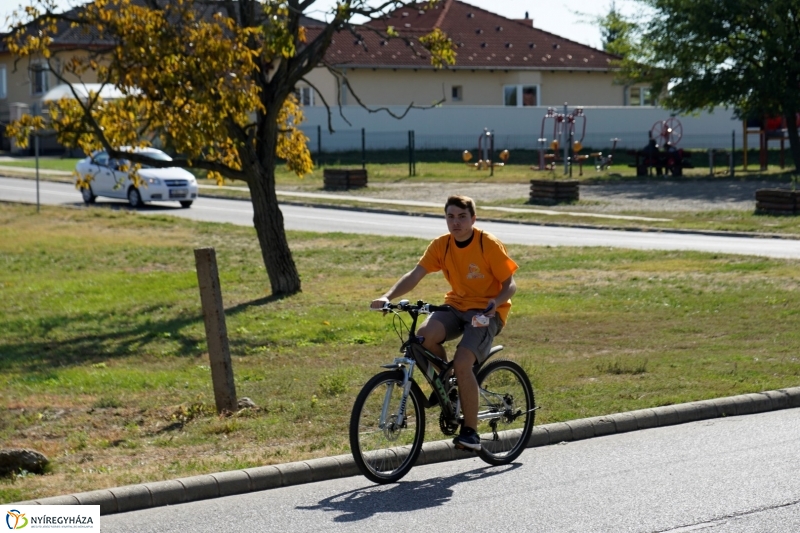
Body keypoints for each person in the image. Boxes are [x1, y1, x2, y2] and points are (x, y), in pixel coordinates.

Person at [370, 195, 518, 451]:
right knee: (424, 336)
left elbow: (510, 285)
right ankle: (449, 384)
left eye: (462, 217)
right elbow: (415, 274)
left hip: (486, 312)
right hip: (456, 306)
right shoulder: (442, 245)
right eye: (450, 217)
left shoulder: (487, 244)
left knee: (463, 363)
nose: (456, 223)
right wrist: (387, 296)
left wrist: (495, 302)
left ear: (473, 218)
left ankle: (470, 432)